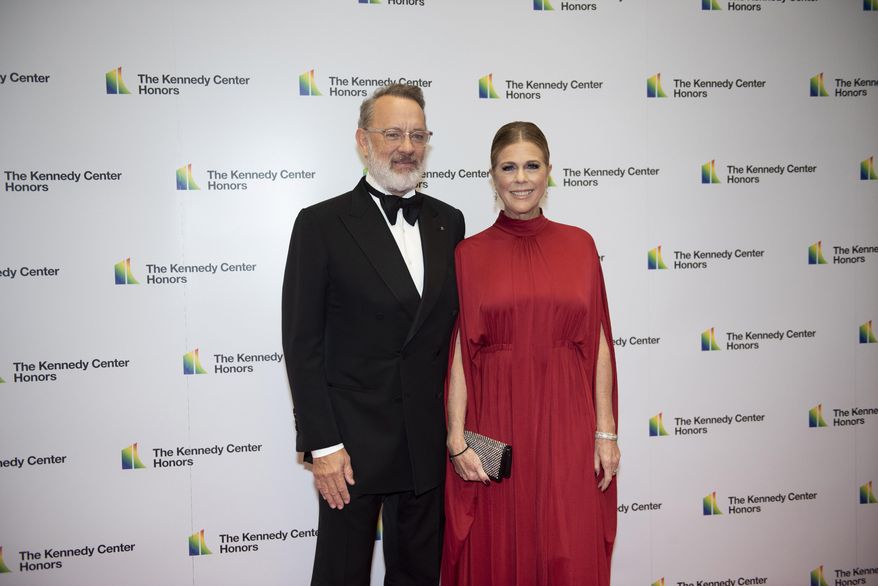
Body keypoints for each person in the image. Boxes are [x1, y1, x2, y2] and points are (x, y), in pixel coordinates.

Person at [282, 84, 465, 586]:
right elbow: (302, 345)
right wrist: (322, 446)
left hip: (424, 443)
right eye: (393, 133)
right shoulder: (321, 224)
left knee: (419, 575)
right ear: (363, 141)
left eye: (418, 134)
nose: (407, 145)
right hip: (350, 449)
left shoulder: (450, 223)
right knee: (341, 575)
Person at [441, 121, 619, 586]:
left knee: (567, 545)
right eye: (509, 167)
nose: (521, 178)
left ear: (549, 172)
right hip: (498, 424)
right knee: (501, 546)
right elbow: (461, 352)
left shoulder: (580, 245)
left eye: (531, 166)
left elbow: (597, 343)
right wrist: (456, 438)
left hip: (568, 424)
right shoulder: (469, 254)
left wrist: (605, 433)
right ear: (493, 177)